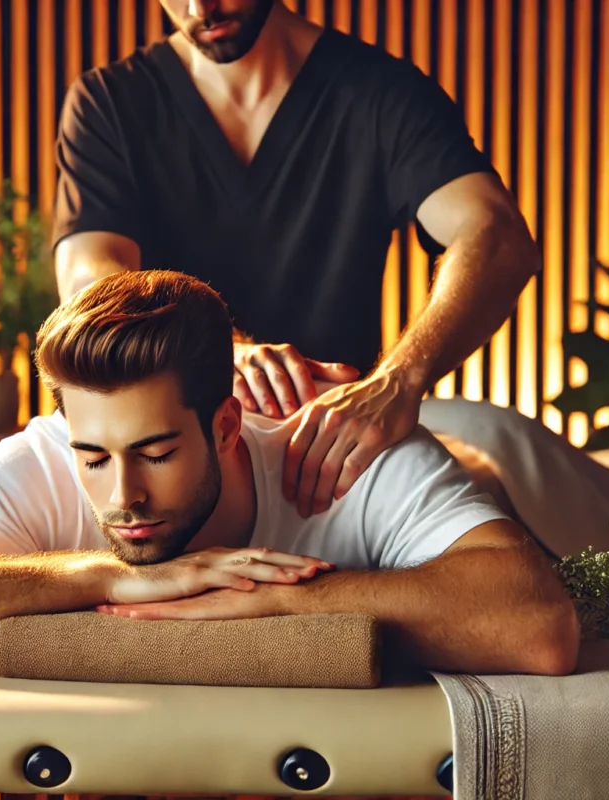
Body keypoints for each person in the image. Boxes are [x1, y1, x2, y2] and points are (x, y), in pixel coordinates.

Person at [0, 271, 577, 677]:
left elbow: (538, 629)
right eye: (94, 458)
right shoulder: (44, 455)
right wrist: (102, 579)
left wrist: (274, 602)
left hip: (536, 473)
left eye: (156, 453)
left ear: (224, 425)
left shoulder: (345, 451)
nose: (123, 496)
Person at [53, 0, 541, 519]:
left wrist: (399, 382)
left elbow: (497, 236)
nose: (200, 8)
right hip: (165, 447)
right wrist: (214, 354)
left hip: (337, 449)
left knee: (505, 450)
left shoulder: (378, 92)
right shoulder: (109, 102)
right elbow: (91, 276)